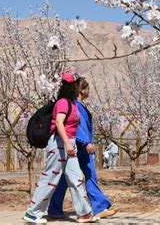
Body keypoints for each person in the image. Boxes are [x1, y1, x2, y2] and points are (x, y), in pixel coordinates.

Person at [23, 72, 99, 224]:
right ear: (72, 87)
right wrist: (68, 143)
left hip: (68, 144)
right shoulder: (63, 103)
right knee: (50, 178)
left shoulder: (72, 104)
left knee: (76, 178)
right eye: (77, 84)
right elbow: (59, 123)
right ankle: (32, 213)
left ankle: (84, 214)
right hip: (59, 144)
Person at [48, 78, 116, 219]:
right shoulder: (76, 105)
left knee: (64, 178)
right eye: (88, 88)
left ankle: (54, 208)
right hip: (79, 146)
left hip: (76, 145)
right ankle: (100, 207)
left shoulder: (78, 105)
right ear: (82, 90)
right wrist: (86, 143)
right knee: (90, 175)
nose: (89, 91)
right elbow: (78, 127)